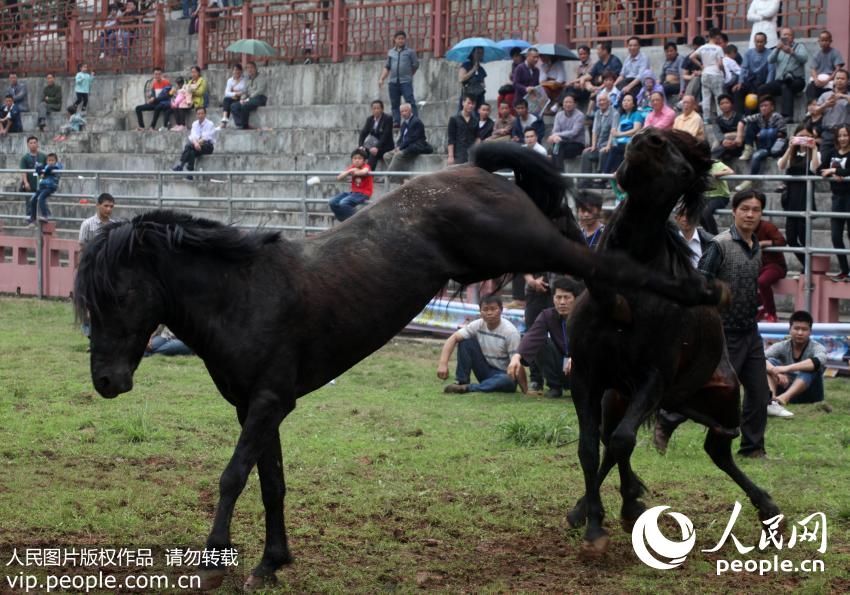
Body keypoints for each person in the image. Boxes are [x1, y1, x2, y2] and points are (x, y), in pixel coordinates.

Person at [699, 190, 773, 458]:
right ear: (734, 211)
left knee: (759, 390)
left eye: (755, 209)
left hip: (750, 330)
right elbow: (700, 283)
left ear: (761, 214)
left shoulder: (756, 247)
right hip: (722, 331)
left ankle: (753, 447)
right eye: (745, 208)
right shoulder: (719, 245)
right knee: (721, 392)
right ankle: (669, 419)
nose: (750, 214)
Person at [507, 278, 583, 398]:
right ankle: (555, 387)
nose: (562, 302)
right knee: (541, 342)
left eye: (566, 297)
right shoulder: (547, 315)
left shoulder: (585, 316)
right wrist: (516, 356)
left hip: (582, 368)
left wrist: (577, 356)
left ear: (576, 299)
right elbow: (532, 336)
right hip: (562, 367)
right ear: (553, 299)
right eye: (558, 297)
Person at [437, 294, 520, 394]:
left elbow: (517, 364)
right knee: (465, 341)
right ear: (480, 312)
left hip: (504, 374)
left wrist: (525, 390)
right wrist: (443, 364)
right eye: (485, 309)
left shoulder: (511, 332)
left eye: (493, 309)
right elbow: (453, 338)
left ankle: (468, 388)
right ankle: (461, 382)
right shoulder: (477, 324)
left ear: (501, 310)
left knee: (507, 379)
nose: (489, 313)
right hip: (485, 370)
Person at [765, 310, 827, 414]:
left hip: (810, 396)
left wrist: (786, 368)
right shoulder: (782, 346)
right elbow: (760, 358)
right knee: (770, 362)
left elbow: (820, 360)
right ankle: (772, 401)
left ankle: (782, 399)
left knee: (810, 368)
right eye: (796, 328)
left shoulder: (817, 347)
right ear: (790, 329)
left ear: (810, 331)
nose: (800, 333)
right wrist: (775, 371)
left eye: (804, 329)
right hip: (785, 387)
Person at [812, 124, 850, 280]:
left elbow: (847, 171)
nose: (842, 138)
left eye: (845, 135)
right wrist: (831, 173)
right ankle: (845, 270)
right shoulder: (832, 152)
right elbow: (820, 170)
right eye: (840, 135)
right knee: (835, 236)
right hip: (837, 198)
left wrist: (834, 170)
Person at [777, 126, 817, 269]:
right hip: (791, 198)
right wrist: (790, 147)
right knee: (791, 239)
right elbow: (781, 165)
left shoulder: (813, 153)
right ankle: (807, 266)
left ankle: (807, 269)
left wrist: (814, 148)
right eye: (801, 136)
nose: (803, 139)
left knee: (803, 237)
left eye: (806, 136)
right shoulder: (793, 153)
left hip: (804, 197)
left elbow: (815, 167)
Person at [734, 95, 786, 191]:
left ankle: (751, 179)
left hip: (775, 146)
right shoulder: (758, 116)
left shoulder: (777, 117)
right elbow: (742, 122)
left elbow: (782, 134)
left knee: (770, 132)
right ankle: (748, 148)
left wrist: (763, 133)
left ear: (772, 107)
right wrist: (739, 136)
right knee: (751, 125)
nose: (763, 108)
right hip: (763, 146)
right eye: (761, 106)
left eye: (766, 105)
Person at [759, 27, 808, 120]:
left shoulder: (799, 46)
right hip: (781, 80)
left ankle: (787, 116)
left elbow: (804, 59)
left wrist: (791, 52)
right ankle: (764, 114)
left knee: (787, 86)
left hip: (797, 80)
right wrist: (777, 49)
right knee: (763, 89)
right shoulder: (778, 48)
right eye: (783, 35)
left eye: (788, 35)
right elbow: (770, 60)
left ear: (792, 37)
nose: (786, 37)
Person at [378, 31, 419, 127]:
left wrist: (409, 75)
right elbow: (387, 67)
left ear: (405, 40)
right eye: (399, 39)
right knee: (394, 103)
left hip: (406, 82)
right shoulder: (391, 52)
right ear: (395, 40)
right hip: (393, 82)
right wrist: (381, 79)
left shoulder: (410, 52)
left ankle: (414, 120)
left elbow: (415, 65)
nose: (400, 40)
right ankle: (396, 121)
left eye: (402, 39)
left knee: (410, 101)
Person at [689, 28, 726, 122]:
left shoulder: (702, 47)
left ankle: (706, 118)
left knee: (706, 97)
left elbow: (691, 57)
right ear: (717, 36)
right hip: (715, 74)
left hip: (705, 73)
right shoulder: (718, 48)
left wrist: (701, 66)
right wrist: (723, 71)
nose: (720, 39)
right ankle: (720, 117)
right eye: (719, 37)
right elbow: (720, 64)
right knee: (718, 96)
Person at [580, 92, 617, 186]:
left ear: (609, 102)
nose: (601, 102)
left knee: (603, 152)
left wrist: (608, 145)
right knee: (586, 152)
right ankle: (585, 180)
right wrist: (593, 145)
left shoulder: (615, 113)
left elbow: (613, 132)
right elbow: (594, 131)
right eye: (599, 100)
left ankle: (601, 179)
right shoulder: (597, 113)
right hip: (599, 144)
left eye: (604, 100)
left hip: (610, 144)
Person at [811, 68, 850, 159]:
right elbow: (814, 111)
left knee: (843, 162)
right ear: (834, 80)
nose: (839, 80)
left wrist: (843, 96)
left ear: (848, 81)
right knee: (824, 160)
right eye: (837, 78)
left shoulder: (848, 96)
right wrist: (825, 105)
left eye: (842, 79)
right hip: (828, 133)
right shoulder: (825, 95)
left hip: (845, 134)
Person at [755, 217, 787, 322]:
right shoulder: (740, 229)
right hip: (756, 265)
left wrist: (763, 243)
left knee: (762, 281)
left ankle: (771, 314)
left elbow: (782, 241)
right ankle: (759, 309)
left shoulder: (766, 226)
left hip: (775, 265)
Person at [736, 32, 775, 114]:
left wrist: (767, 85)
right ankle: (739, 116)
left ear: (765, 42)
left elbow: (771, 71)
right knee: (738, 90)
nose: (759, 44)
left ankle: (757, 114)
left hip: (762, 82)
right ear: (754, 42)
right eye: (757, 42)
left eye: (761, 42)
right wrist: (740, 82)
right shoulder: (748, 53)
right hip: (750, 80)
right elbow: (744, 68)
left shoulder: (770, 54)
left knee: (761, 90)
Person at [329, 148, 373, 222]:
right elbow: (339, 177)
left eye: (359, 158)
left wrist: (355, 171)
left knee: (344, 203)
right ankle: (344, 221)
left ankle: (359, 221)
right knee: (332, 202)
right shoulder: (352, 168)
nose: (357, 160)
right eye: (354, 158)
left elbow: (363, 172)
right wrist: (350, 170)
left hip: (364, 193)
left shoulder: (366, 166)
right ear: (352, 160)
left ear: (364, 160)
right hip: (353, 192)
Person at [384, 103, 431, 171]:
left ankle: (388, 175)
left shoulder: (416, 122)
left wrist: (400, 148)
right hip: (405, 146)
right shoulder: (404, 123)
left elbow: (411, 139)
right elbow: (401, 138)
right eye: (402, 112)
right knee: (386, 155)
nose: (403, 113)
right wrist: (397, 146)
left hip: (415, 147)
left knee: (398, 155)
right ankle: (397, 176)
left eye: (405, 111)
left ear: (410, 110)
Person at [604, 93, 643, 174]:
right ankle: (614, 178)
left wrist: (619, 134)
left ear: (633, 104)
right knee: (614, 152)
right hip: (621, 144)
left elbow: (636, 130)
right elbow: (614, 131)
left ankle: (605, 175)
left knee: (615, 150)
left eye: (628, 100)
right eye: (624, 100)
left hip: (632, 143)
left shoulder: (637, 114)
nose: (625, 102)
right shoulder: (622, 116)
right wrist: (610, 142)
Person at [172, 106, 216, 176]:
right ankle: (190, 173)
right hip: (196, 146)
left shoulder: (210, 124)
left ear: (205, 114)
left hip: (207, 146)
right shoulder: (195, 124)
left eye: (202, 113)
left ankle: (181, 166)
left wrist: (196, 143)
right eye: (198, 114)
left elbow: (206, 137)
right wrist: (196, 144)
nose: (200, 115)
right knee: (191, 152)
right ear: (196, 115)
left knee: (188, 146)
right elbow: (193, 136)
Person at [548, 94, 584, 170]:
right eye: (566, 102)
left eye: (570, 102)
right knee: (556, 147)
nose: (568, 104)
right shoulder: (558, 115)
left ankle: (559, 172)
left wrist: (556, 135)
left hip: (577, 144)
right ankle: (559, 172)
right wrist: (556, 137)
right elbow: (555, 130)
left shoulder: (580, 115)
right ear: (563, 104)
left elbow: (574, 132)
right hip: (562, 144)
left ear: (574, 104)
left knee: (555, 151)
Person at [806, 30, 844, 102]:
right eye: (822, 40)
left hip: (831, 79)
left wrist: (828, 80)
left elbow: (838, 69)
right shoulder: (817, 54)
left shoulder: (835, 53)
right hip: (819, 79)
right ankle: (811, 107)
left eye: (826, 40)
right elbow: (813, 69)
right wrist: (816, 79)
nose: (824, 43)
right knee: (810, 88)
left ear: (830, 41)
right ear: (819, 41)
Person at [358, 99, 394, 171]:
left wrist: (377, 147)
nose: (376, 110)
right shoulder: (370, 119)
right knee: (359, 153)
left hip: (384, 146)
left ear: (382, 109)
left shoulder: (388, 118)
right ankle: (357, 173)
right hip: (372, 144)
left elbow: (385, 135)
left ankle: (369, 175)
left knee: (373, 153)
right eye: (374, 108)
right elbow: (363, 133)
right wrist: (361, 145)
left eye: (378, 108)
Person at [27, 152, 62, 225]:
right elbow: (40, 171)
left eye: (53, 160)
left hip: (50, 187)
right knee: (33, 199)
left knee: (41, 198)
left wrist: (44, 171)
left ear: (56, 161)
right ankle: (33, 217)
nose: (51, 162)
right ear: (47, 161)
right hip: (42, 187)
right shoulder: (46, 167)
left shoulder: (57, 167)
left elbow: (50, 169)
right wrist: (39, 169)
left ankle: (45, 216)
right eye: (49, 160)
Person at [700, 159, 734, 235]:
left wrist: (715, 174)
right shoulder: (698, 165)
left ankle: (714, 236)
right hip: (706, 197)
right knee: (697, 212)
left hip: (721, 196)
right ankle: (709, 234)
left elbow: (730, 171)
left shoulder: (716, 163)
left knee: (706, 211)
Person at [231, 61, 267, 130]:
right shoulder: (247, 79)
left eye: (251, 67)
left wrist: (248, 99)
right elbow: (245, 91)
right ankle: (240, 124)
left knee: (245, 105)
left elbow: (260, 91)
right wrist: (242, 99)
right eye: (247, 68)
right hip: (249, 99)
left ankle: (245, 125)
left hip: (260, 98)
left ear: (255, 68)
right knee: (234, 106)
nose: (249, 69)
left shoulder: (261, 77)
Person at [447, 95, 478, 165]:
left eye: (473, 104)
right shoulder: (454, 119)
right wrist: (450, 156)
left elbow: (477, 137)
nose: (471, 106)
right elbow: (451, 139)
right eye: (469, 103)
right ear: (463, 103)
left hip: (471, 153)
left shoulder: (475, 120)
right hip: (458, 153)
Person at [712, 94, 744, 161]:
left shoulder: (740, 117)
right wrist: (724, 141)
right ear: (719, 106)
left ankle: (711, 158)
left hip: (738, 144)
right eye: (722, 103)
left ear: (731, 104)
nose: (724, 105)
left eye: (727, 102)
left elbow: (744, 132)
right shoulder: (717, 120)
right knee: (717, 142)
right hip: (725, 145)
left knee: (726, 136)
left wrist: (732, 141)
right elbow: (718, 133)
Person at [458, 46, 487, 113]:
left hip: (479, 95)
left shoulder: (481, 69)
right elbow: (461, 79)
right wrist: (473, 70)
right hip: (468, 94)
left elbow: (483, 83)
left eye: (482, 53)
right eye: (478, 53)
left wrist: (482, 84)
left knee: (479, 114)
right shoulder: (466, 65)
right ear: (472, 53)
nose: (480, 55)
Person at [218, 63, 246, 129]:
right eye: (235, 70)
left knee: (228, 101)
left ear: (241, 71)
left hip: (242, 98)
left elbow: (245, 91)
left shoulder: (244, 80)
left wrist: (234, 92)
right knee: (226, 99)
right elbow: (226, 93)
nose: (236, 71)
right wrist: (235, 93)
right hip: (233, 98)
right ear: (232, 71)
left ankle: (224, 123)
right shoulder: (230, 80)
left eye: (238, 70)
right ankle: (224, 118)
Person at [19, 137, 45, 202]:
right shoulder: (24, 158)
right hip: (30, 184)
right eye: (31, 143)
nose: (33, 144)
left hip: (41, 183)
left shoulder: (43, 156)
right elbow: (23, 171)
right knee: (29, 204)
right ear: (28, 145)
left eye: (34, 142)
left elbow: (46, 168)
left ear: (37, 144)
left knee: (41, 204)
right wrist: (26, 182)